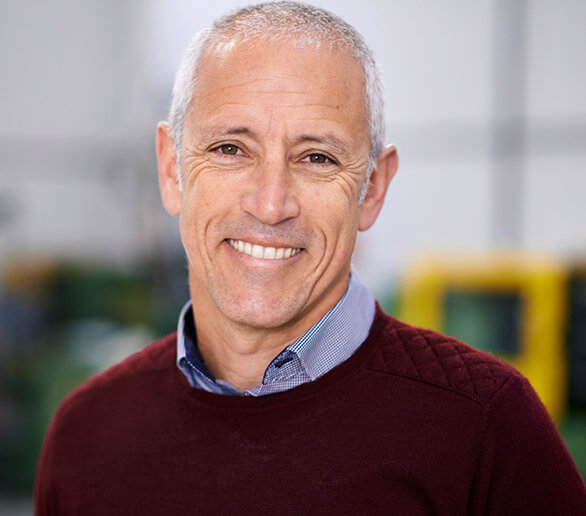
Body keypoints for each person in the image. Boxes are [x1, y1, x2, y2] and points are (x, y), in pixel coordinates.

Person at [35, 2, 586, 514]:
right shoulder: (87, 434)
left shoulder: (486, 427)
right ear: (171, 169)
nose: (271, 204)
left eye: (317, 157)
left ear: (372, 189)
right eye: (231, 149)